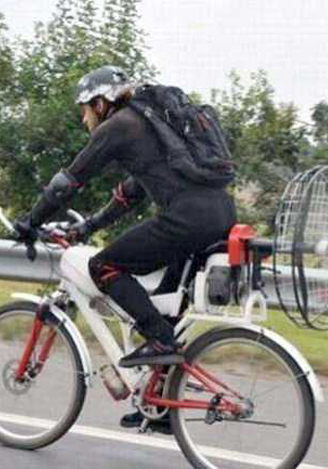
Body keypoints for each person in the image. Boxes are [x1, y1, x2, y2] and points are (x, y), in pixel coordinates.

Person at [14, 65, 236, 429]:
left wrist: (31, 221)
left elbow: (69, 181)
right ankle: (161, 405)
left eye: (85, 109)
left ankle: (161, 343)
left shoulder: (119, 126)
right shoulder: (148, 125)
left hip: (187, 219)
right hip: (220, 216)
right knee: (164, 308)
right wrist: (88, 226)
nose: (84, 118)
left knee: (103, 267)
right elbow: (131, 193)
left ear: (101, 103)